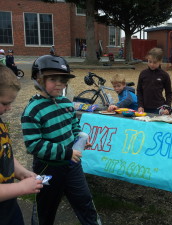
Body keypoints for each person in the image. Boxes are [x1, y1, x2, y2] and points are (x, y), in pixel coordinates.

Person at [21, 55, 102, 225]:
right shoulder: (33, 110)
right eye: (53, 79)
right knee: (45, 208)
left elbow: (73, 125)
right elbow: (34, 145)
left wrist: (80, 137)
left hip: (72, 165)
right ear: (38, 79)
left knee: (84, 201)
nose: (60, 83)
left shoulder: (66, 103)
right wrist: (67, 152)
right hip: (48, 168)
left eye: (63, 79)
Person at [0, 65, 43, 225]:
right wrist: (22, 188)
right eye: (5, 103)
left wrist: (22, 173)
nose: (9, 108)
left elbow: (5, 153)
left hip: (9, 208)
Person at [137, 47, 172, 114]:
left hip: (159, 108)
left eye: (155, 62)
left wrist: (168, 107)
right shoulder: (143, 74)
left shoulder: (164, 75)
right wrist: (140, 105)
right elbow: (139, 91)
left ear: (160, 61)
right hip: (144, 108)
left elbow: (169, 93)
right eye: (150, 61)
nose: (151, 64)